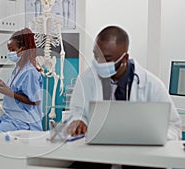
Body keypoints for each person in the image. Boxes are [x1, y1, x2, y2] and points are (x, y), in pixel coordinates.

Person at [66, 26, 182, 169]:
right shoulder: (86, 79)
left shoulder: (152, 85)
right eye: (96, 56)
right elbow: (76, 112)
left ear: (125, 58)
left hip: (140, 158)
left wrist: (148, 136)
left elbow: (174, 127)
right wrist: (78, 121)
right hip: (96, 156)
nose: (99, 62)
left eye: (106, 58)